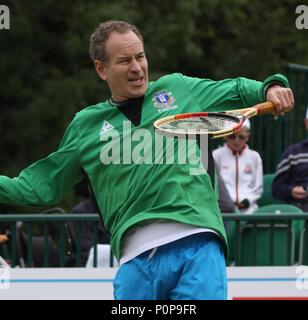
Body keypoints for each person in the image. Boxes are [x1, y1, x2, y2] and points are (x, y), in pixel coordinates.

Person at [0, 20, 294, 299]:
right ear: (101, 69)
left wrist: (270, 87)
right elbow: (40, 186)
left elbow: (237, 89)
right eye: (124, 60)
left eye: (140, 57)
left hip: (199, 242)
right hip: (136, 260)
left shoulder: (178, 88)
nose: (137, 68)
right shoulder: (85, 125)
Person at [213, 120, 263, 214]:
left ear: (248, 136)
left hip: (249, 209)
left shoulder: (255, 157)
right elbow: (215, 184)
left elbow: (258, 187)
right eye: (232, 136)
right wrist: (226, 201)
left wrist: (248, 200)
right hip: (224, 210)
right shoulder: (216, 155)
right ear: (225, 135)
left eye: (241, 137)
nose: (237, 140)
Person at [272, 109, 308, 211]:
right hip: (299, 211)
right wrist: (291, 191)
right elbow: (276, 188)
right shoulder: (292, 153)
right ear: (306, 123)